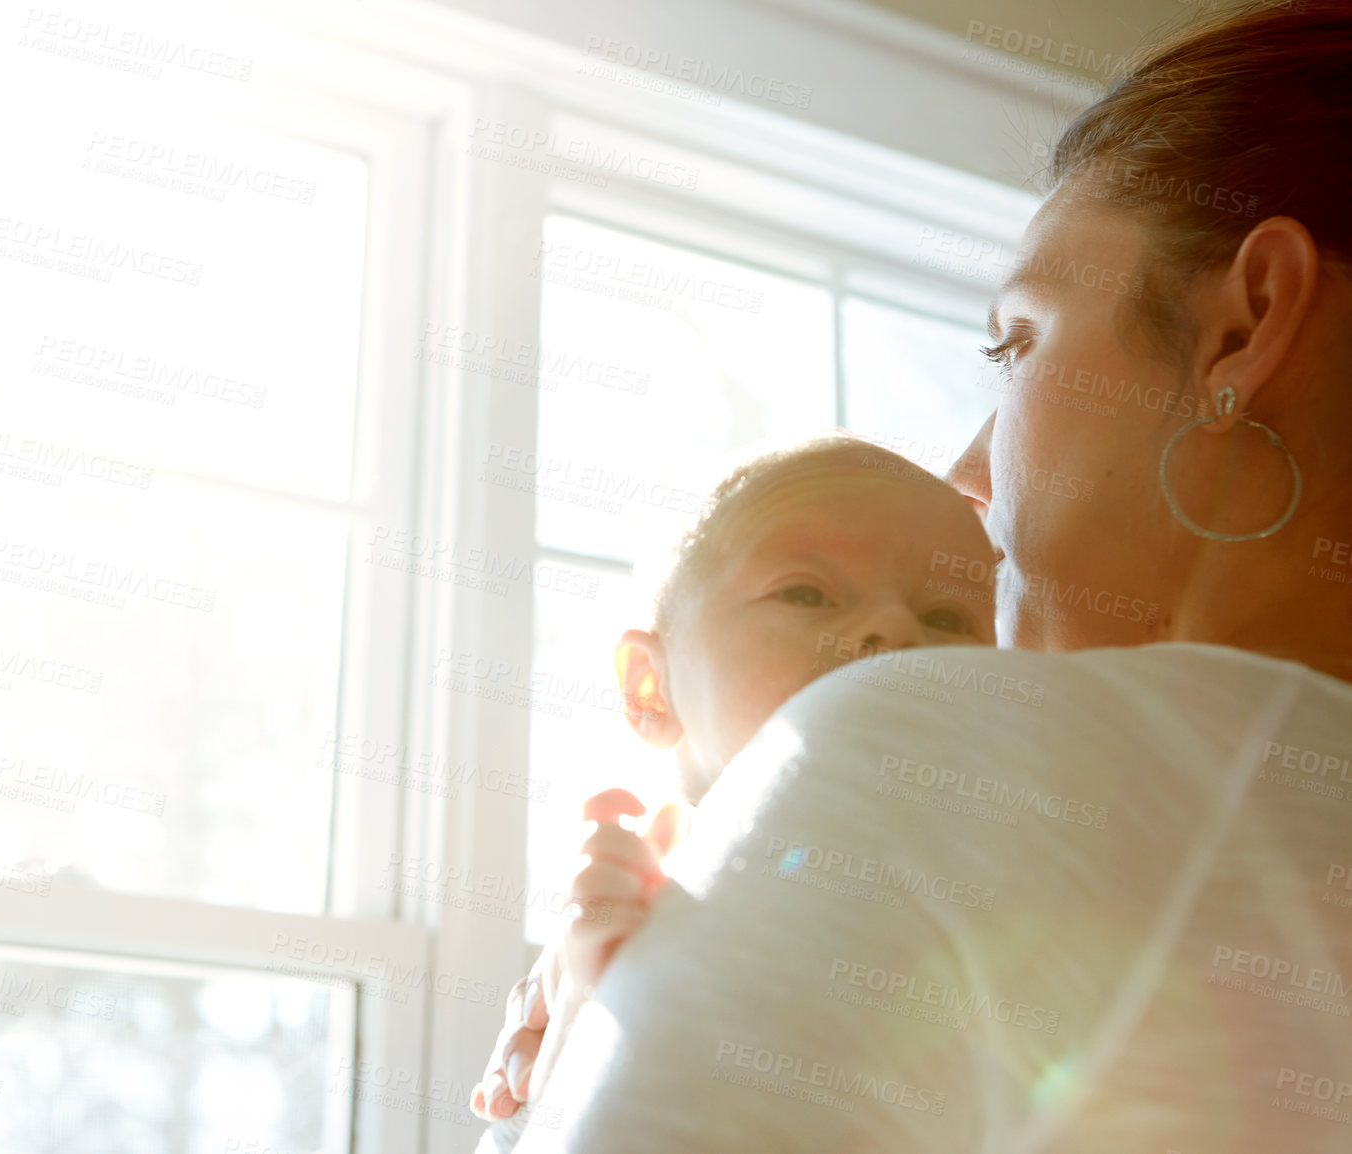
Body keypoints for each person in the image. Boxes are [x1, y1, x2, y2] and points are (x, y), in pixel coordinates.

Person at [477, 2, 1352, 1150]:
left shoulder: (924, 754)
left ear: (1244, 323)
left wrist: (594, 1049)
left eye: (1016, 344)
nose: (968, 471)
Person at [466, 434, 1000, 1124]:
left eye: (946, 617)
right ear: (652, 688)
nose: (896, 629)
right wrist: (592, 1010)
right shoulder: (639, 898)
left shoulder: (1008, 871)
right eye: (808, 594)